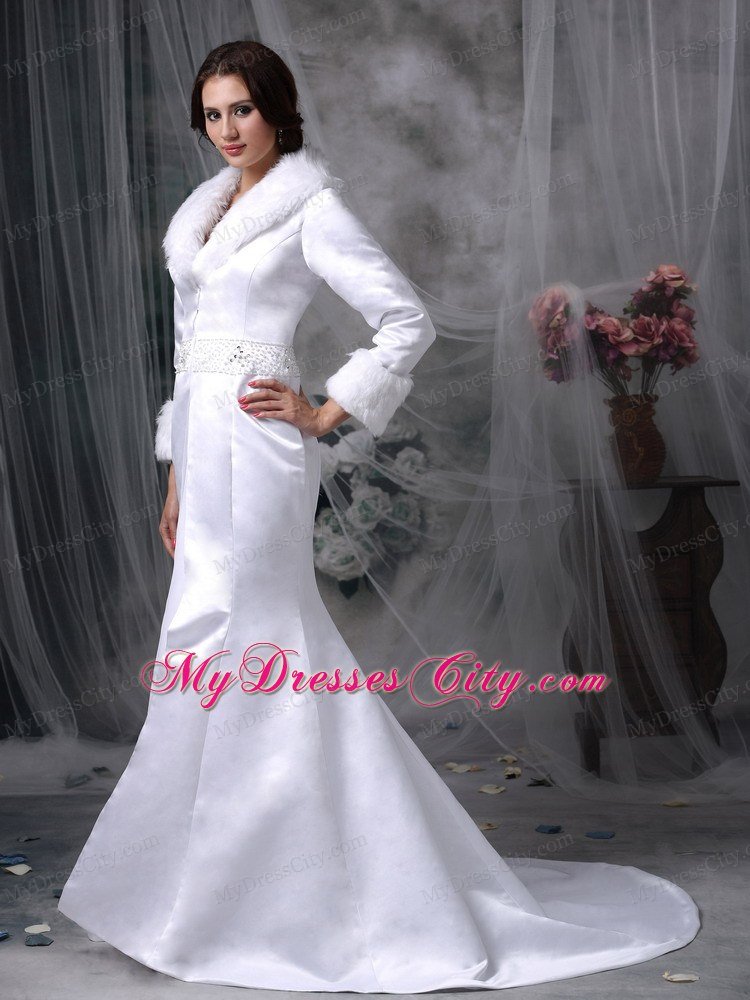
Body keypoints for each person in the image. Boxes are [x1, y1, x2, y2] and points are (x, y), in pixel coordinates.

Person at [57, 40, 700, 992]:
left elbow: (405, 319)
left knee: (255, 639)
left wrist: (326, 410)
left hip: (263, 453)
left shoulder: (309, 208)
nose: (227, 129)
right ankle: (210, 883)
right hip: (205, 451)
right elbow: (192, 357)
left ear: (277, 110)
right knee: (207, 646)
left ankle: (280, 889)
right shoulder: (202, 215)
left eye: (242, 110)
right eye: (213, 114)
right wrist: (176, 477)